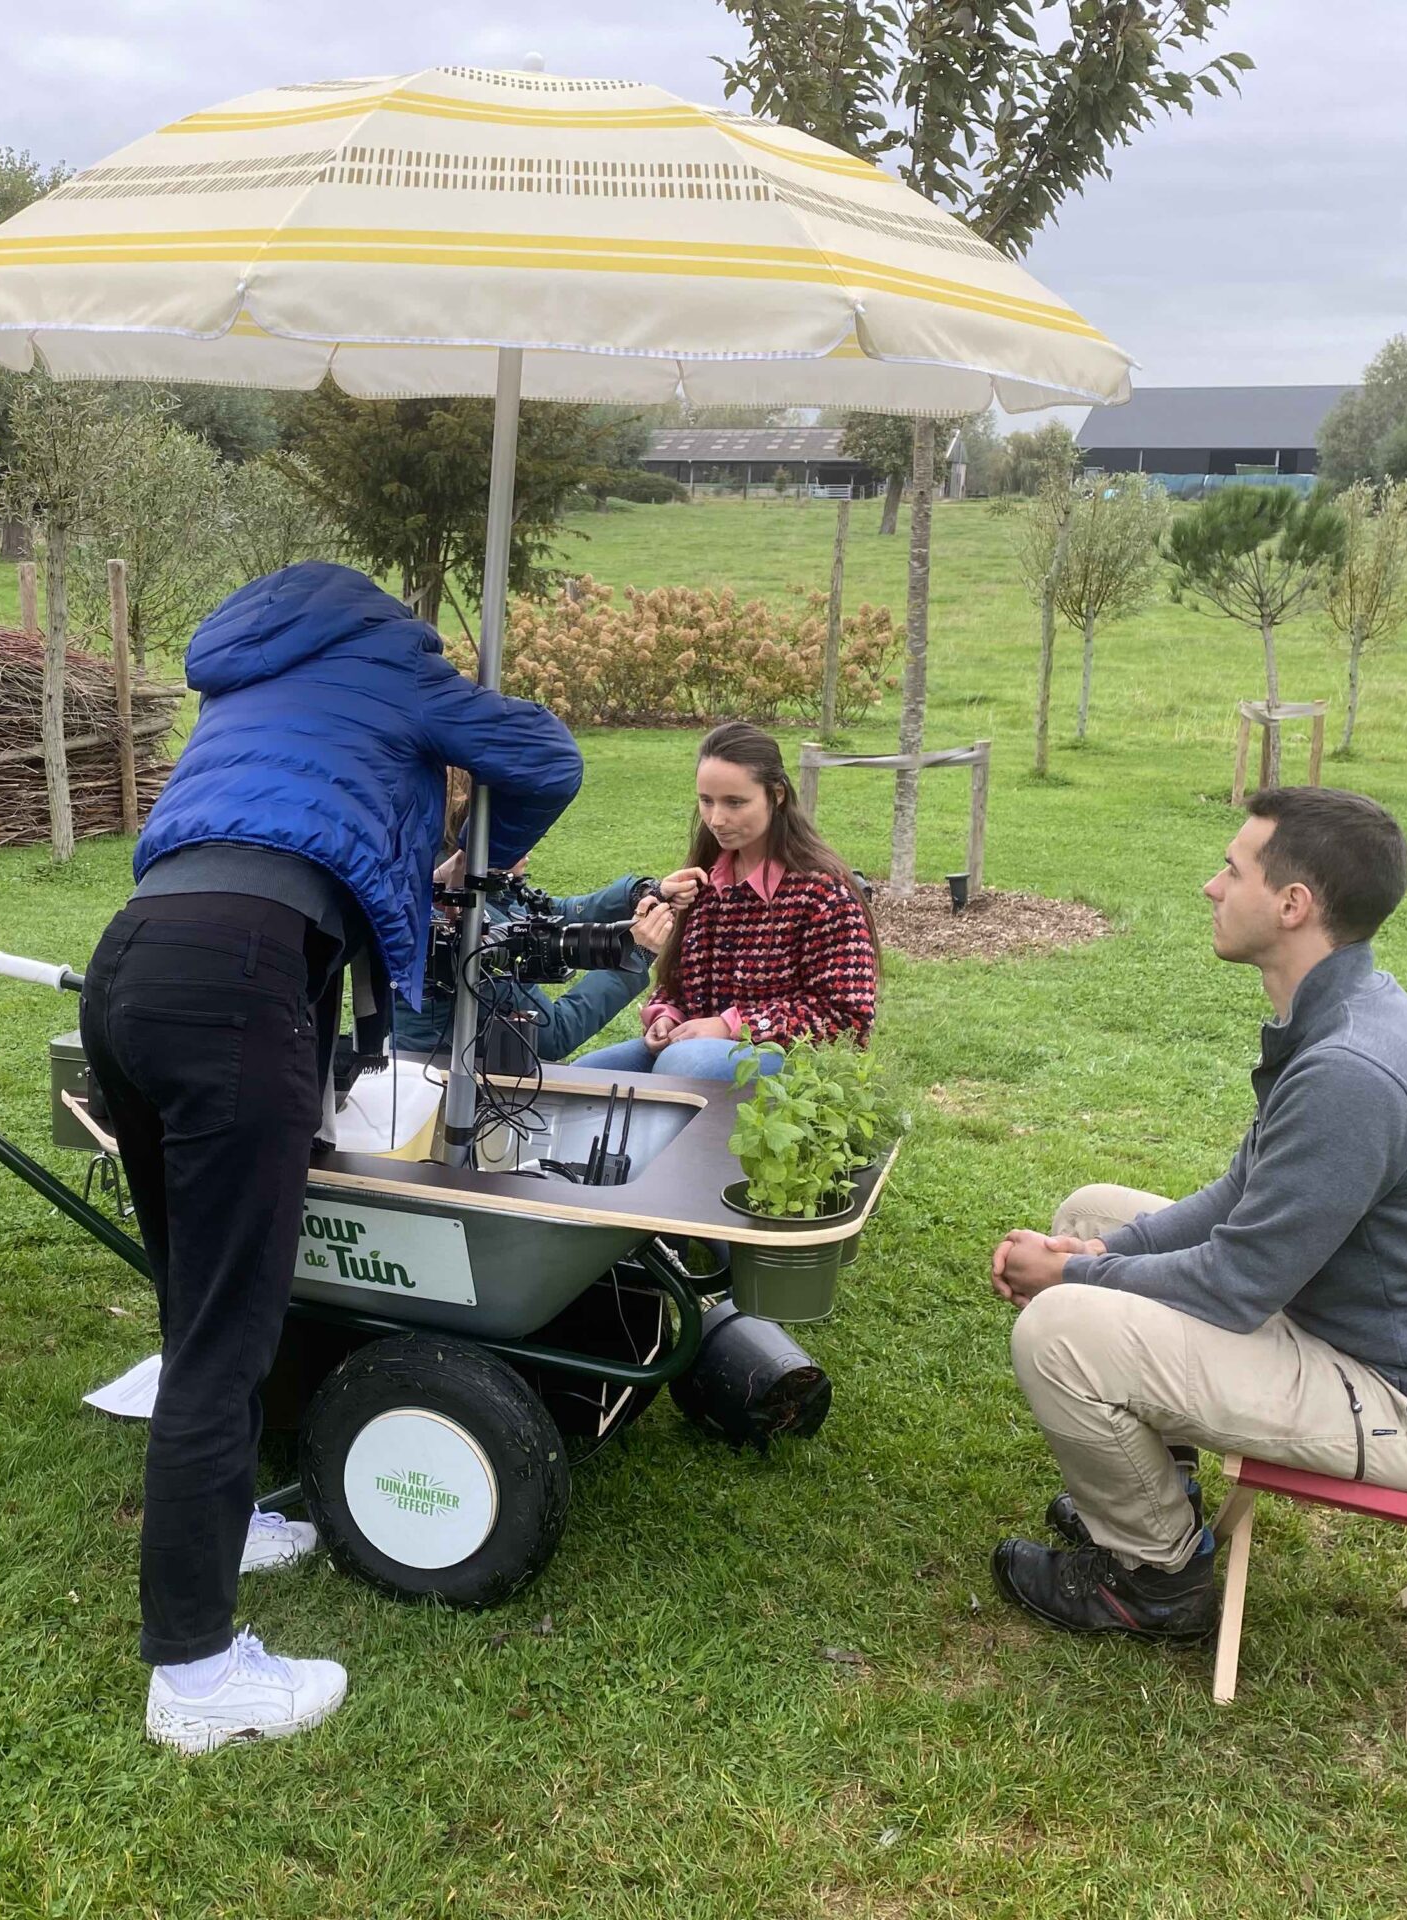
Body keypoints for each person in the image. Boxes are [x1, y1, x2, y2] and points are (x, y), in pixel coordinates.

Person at [80, 561, 581, 1753]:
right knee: (226, 1335)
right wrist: (466, 862)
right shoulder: (395, 662)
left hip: (133, 956)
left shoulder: (249, 674)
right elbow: (547, 759)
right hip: (243, 974)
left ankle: (223, 1524)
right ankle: (195, 1678)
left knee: (192, 1302)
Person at [986, 787, 1407, 1642]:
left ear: (1293, 905)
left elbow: (1235, 1284)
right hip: (1354, 1332)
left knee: (1059, 1330)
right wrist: (1096, 1250)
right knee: (1093, 1212)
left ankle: (1153, 1580)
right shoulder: (1342, 1016)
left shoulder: (1352, 1069)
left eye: (1233, 869)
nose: (1212, 887)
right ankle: (1155, 1488)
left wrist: (1072, 1274)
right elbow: (1238, 1201)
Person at [582, 720, 877, 1081]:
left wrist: (731, 1026)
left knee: (686, 1064)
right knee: (585, 1076)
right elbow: (678, 984)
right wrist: (666, 1014)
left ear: (777, 795)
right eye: (706, 801)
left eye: (735, 802)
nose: (716, 819)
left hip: (795, 1061)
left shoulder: (824, 895)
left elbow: (847, 1019)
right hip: (694, 1051)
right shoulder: (704, 881)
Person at [390, 773, 682, 1064]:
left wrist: (634, 893)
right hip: (447, 1079)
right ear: (489, 838)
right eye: (521, 836)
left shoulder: (459, 883)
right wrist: (632, 954)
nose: (530, 848)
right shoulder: (468, 924)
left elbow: (548, 914)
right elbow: (552, 1034)